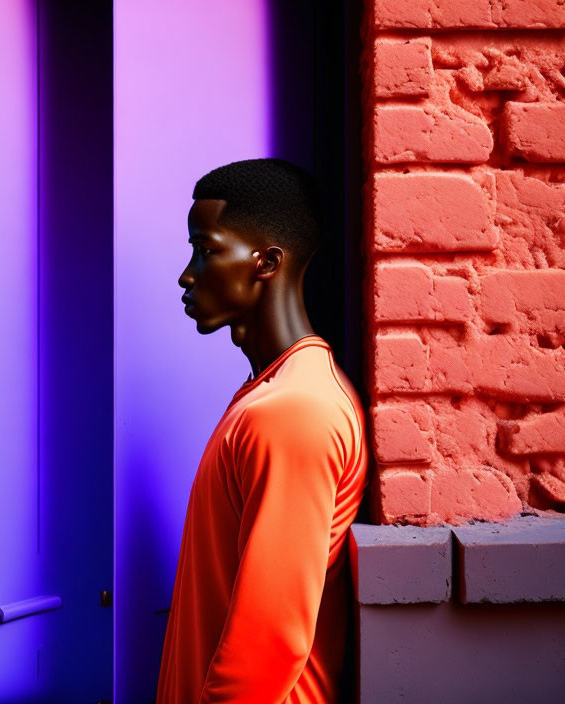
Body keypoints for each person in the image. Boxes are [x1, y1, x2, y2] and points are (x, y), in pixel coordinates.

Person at [157, 158, 369, 703]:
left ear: (266, 262)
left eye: (206, 250)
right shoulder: (274, 393)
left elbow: (270, 644)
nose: (187, 273)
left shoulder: (293, 410)